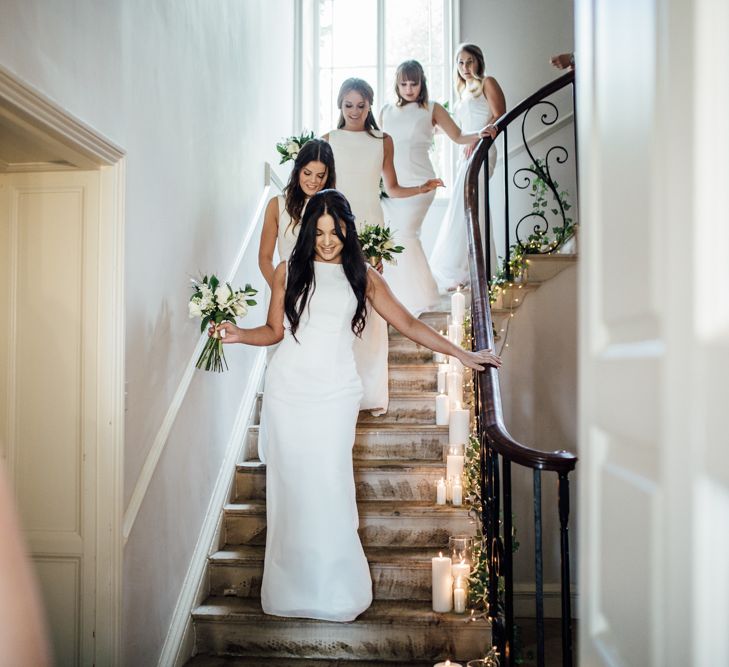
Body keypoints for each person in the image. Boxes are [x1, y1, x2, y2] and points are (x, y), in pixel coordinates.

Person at [211, 189, 501, 622]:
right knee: (291, 491)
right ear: (310, 230)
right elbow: (274, 331)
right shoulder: (286, 271)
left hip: (335, 393)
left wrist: (462, 353)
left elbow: (406, 321)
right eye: (320, 231)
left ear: (348, 228)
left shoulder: (362, 274)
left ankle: (336, 589)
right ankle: (290, 590)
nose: (328, 240)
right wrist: (237, 334)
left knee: (330, 485)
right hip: (289, 390)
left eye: (336, 231)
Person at [323, 77, 443, 415]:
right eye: (349, 105)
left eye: (361, 105)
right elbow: (318, 186)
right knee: (337, 306)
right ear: (339, 106)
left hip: (371, 230)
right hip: (335, 227)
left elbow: (391, 187)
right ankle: (336, 384)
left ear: (371, 105)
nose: (355, 112)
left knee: (370, 308)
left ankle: (369, 391)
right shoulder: (328, 141)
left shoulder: (382, 140)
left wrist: (422, 188)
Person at [379, 60, 496, 315]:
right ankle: (398, 296)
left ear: (422, 84)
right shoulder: (385, 111)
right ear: (396, 85)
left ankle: (419, 298)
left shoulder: (431, 108)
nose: (409, 88)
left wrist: (481, 133)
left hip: (421, 183)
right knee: (393, 238)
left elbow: (457, 136)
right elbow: (377, 147)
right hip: (391, 186)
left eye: (414, 83)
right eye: (403, 83)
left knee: (406, 235)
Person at [429, 43, 506, 291]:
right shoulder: (462, 93)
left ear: (479, 61)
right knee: (464, 205)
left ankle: (477, 270)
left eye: (469, 61)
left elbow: (500, 114)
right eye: (460, 62)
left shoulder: (487, 82)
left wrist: (480, 138)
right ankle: (467, 270)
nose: (464, 67)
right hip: (468, 150)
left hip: (482, 149)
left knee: (473, 202)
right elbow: (458, 129)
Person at [258, 138, 336, 288]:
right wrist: (280, 290)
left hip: (323, 289)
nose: (313, 181)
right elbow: (264, 258)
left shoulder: (334, 207)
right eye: (307, 173)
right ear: (298, 169)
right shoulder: (277, 205)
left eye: (320, 175)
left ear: (328, 176)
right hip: (284, 288)